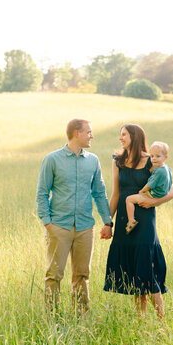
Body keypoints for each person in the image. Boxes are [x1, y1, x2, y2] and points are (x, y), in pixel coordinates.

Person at [36, 118, 113, 315]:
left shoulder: (93, 161)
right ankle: (51, 317)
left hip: (85, 228)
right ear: (76, 133)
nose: (92, 136)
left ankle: (82, 318)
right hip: (59, 227)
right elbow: (42, 193)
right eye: (88, 132)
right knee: (54, 275)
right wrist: (47, 223)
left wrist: (107, 221)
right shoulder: (52, 159)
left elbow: (99, 192)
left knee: (81, 275)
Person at [102, 124, 173, 318]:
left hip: (145, 223)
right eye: (120, 135)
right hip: (124, 223)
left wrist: (154, 201)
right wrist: (107, 223)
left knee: (146, 269)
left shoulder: (151, 160)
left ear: (135, 137)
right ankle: (140, 321)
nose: (120, 138)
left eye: (124, 134)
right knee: (135, 272)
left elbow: (172, 191)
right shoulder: (118, 161)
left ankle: (162, 321)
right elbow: (116, 194)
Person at [125, 141, 172, 234]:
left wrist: (142, 191)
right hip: (162, 193)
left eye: (158, 156)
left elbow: (149, 185)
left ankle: (131, 220)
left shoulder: (159, 171)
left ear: (165, 157)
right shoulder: (167, 168)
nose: (154, 159)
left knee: (129, 199)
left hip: (152, 195)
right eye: (152, 156)